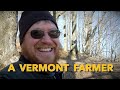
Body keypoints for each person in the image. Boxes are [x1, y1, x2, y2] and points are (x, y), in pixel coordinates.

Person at [0, 11, 63, 79]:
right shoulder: (8, 76)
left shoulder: (56, 71)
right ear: (22, 41)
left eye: (53, 33)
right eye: (37, 33)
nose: (47, 41)